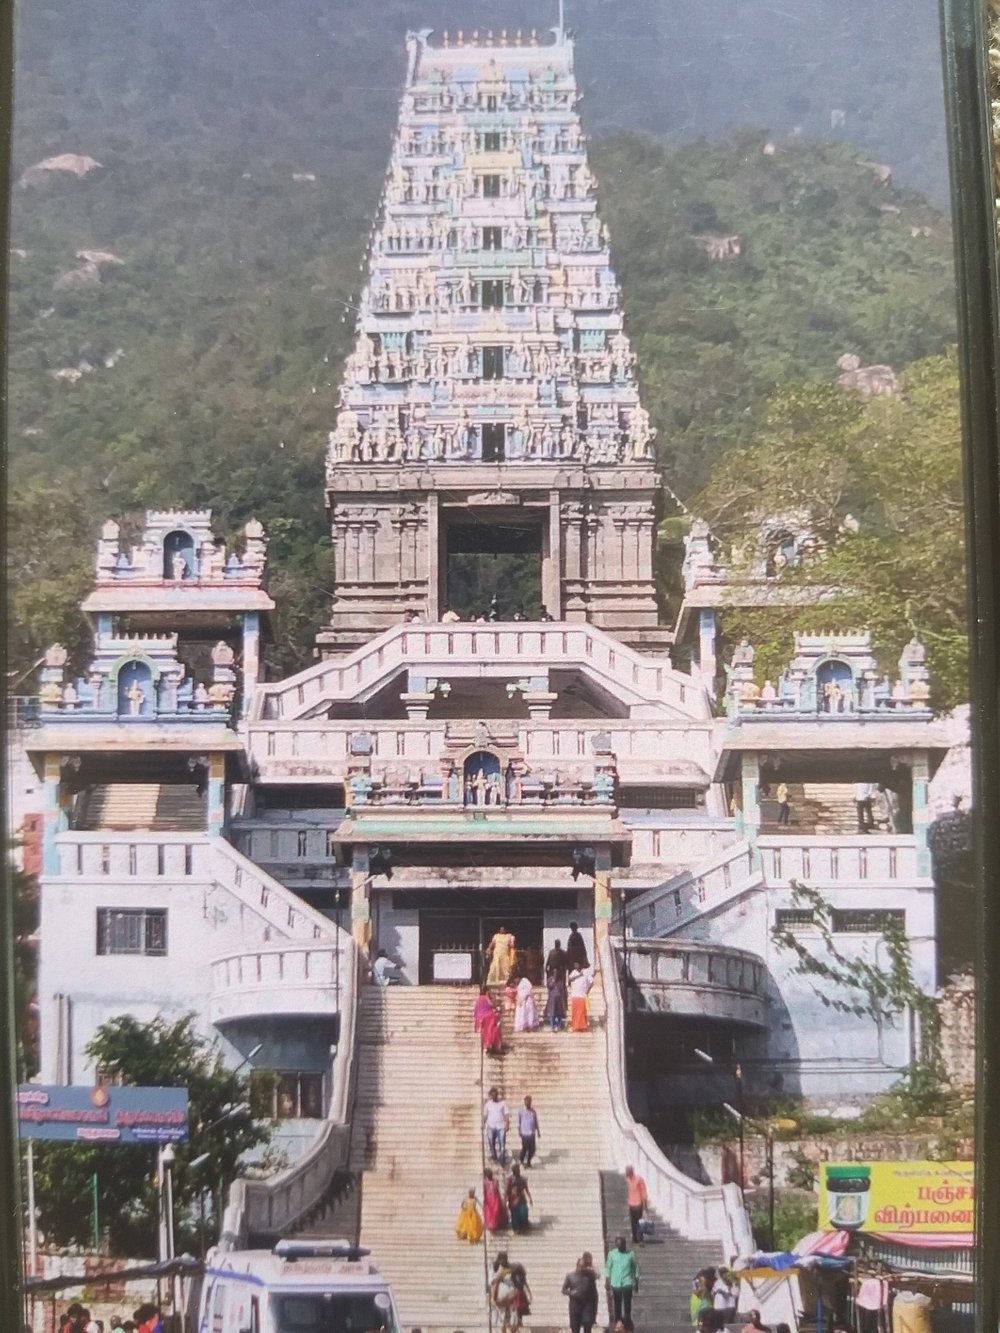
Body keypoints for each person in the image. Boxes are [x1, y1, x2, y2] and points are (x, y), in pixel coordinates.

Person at [605, 1235, 639, 1330]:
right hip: (616, 1283)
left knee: (627, 1304)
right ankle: (618, 1322)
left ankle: (627, 1322)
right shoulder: (612, 1254)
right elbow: (608, 1267)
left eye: (621, 1245)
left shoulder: (630, 1254)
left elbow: (635, 1267)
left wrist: (636, 1281)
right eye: (617, 1245)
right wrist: (607, 1280)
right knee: (617, 1304)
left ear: (624, 1244)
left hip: (627, 1283)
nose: (619, 1247)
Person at [563, 1254, 599, 1333]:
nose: (582, 1268)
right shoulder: (570, 1276)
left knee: (587, 1327)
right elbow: (564, 1290)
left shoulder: (589, 1276)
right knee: (575, 1329)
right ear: (577, 1265)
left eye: (584, 1266)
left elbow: (598, 1275)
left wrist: (591, 1267)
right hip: (575, 1306)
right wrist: (570, 1292)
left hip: (586, 1306)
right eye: (581, 1266)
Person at [483, 1086, 509, 1163]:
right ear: (491, 1095)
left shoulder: (502, 1103)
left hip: (500, 1126)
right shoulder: (488, 1104)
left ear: (497, 1095)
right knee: (491, 1143)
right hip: (490, 1126)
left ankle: (502, 1159)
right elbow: (485, 1115)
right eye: (492, 1095)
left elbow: (506, 1114)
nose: (494, 1096)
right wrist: (483, 1124)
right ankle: (494, 1156)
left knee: (502, 1144)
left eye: (495, 1095)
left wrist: (507, 1124)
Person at [506, 1161, 533, 1232]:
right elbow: (507, 1190)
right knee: (514, 1214)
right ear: (514, 1171)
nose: (518, 1171)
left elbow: (526, 1189)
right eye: (517, 1170)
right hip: (513, 1200)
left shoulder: (523, 1179)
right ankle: (516, 1228)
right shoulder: (510, 1180)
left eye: (519, 1170)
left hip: (521, 1199)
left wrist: (530, 1198)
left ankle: (523, 1225)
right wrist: (504, 1200)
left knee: (523, 1212)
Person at [625, 1164, 649, 1242]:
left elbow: (643, 1192)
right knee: (633, 1222)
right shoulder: (628, 1180)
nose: (626, 1174)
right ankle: (635, 1238)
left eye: (627, 1172)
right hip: (631, 1204)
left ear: (631, 1172)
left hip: (638, 1204)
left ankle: (640, 1238)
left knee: (639, 1222)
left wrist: (645, 1205)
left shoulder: (639, 1179)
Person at [568, 965, 595, 1031]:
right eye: (575, 964)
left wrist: (588, 990)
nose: (576, 966)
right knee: (575, 1012)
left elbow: (591, 982)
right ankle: (575, 1027)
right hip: (575, 995)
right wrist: (579, 975)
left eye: (577, 964)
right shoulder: (574, 972)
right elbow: (570, 979)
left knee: (582, 1012)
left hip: (582, 995)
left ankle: (583, 1027)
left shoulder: (586, 972)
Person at [517, 1094, 540, 1166]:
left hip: (532, 1133)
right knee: (525, 1148)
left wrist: (538, 1131)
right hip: (524, 1133)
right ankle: (521, 1160)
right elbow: (518, 1122)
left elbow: (536, 1121)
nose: (527, 1103)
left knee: (532, 1149)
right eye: (526, 1101)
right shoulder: (521, 1111)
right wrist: (519, 1131)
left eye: (529, 1101)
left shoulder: (533, 1111)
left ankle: (528, 1161)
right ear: (524, 1102)